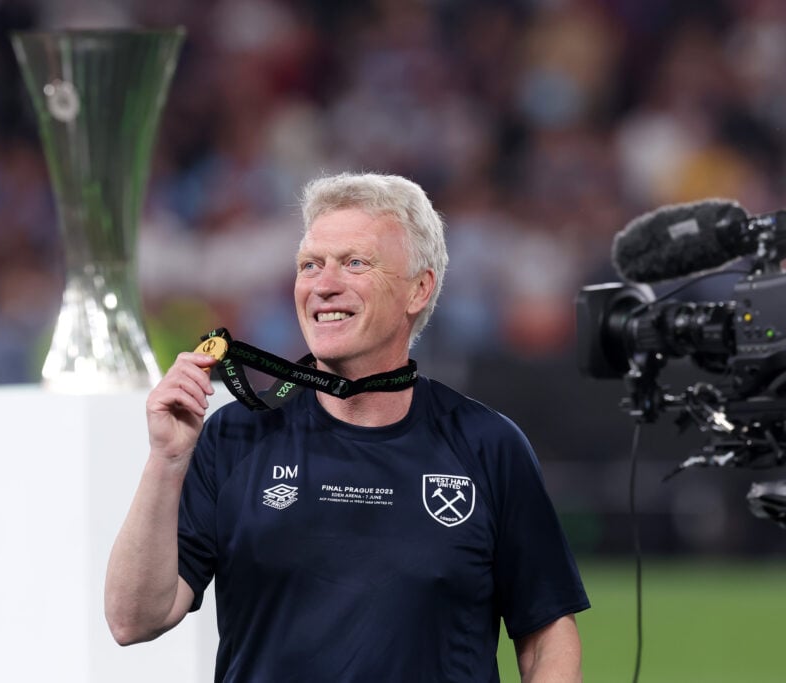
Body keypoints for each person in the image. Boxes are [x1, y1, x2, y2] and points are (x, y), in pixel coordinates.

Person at [105, 172, 590, 682]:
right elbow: (133, 619)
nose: (323, 285)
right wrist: (166, 460)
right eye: (310, 265)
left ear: (418, 289)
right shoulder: (235, 436)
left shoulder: (488, 445)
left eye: (355, 263)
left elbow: (547, 638)